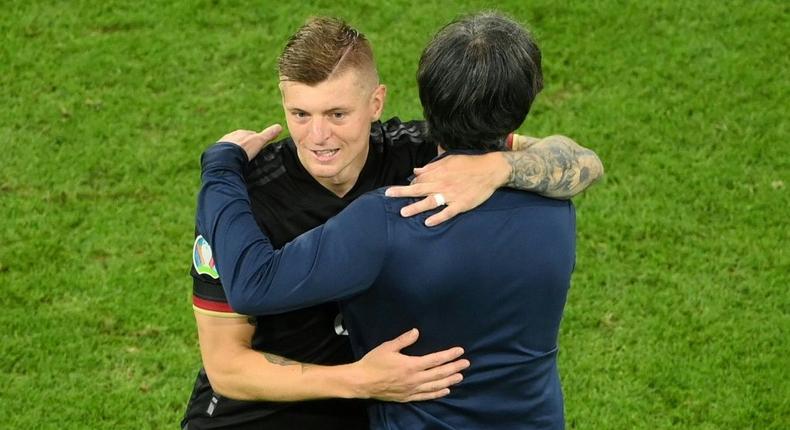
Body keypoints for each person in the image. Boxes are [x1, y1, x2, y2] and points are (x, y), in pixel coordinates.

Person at [183, 16, 602, 430]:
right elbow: (226, 367)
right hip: (260, 416)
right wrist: (359, 380)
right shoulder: (240, 199)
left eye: (338, 114)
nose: (318, 136)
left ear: (376, 103)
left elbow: (581, 161)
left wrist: (499, 168)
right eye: (300, 114)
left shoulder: (423, 155)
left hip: (369, 406)